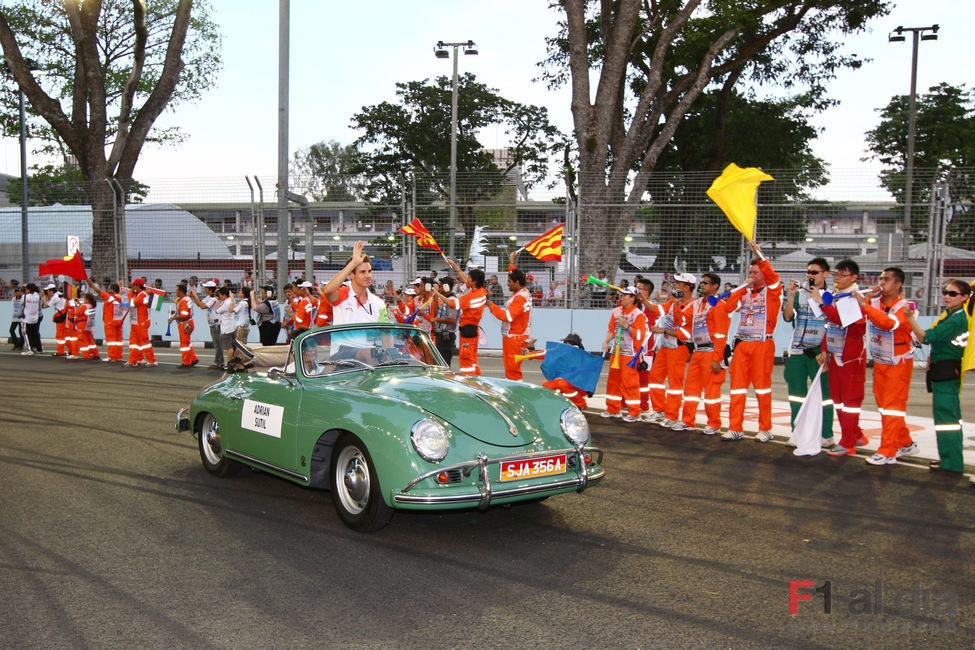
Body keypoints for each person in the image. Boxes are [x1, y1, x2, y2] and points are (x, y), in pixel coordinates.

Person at [905, 279, 972, 474]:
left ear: (965, 297)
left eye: (953, 294)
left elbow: (926, 337)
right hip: (942, 369)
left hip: (947, 371)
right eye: (945, 292)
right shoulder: (951, 314)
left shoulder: (958, 318)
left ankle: (952, 464)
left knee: (947, 420)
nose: (947, 296)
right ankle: (947, 460)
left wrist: (910, 318)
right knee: (945, 420)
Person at [856, 267, 918, 465]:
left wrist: (866, 306)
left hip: (898, 363)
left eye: (887, 280)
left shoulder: (905, 307)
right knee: (885, 407)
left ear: (898, 284)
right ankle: (905, 442)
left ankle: (888, 450)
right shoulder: (876, 303)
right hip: (881, 361)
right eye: (881, 279)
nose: (882, 283)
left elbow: (888, 324)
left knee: (893, 407)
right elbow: (861, 317)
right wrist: (867, 301)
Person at [722, 241, 782, 442]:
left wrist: (759, 254)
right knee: (737, 388)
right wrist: (741, 288)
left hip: (762, 343)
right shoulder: (746, 292)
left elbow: (773, 278)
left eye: (756, 272)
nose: (753, 275)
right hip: (742, 344)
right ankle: (735, 427)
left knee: (762, 388)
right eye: (751, 272)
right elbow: (727, 308)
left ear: (764, 273)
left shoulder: (774, 291)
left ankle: (765, 429)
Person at [812, 259, 867, 456]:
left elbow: (841, 320)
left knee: (850, 401)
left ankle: (848, 441)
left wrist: (823, 304)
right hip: (836, 354)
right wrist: (825, 350)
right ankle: (856, 434)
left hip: (851, 358)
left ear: (854, 278)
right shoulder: (837, 296)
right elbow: (831, 325)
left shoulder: (855, 298)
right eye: (836, 274)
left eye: (842, 275)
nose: (837, 279)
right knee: (838, 399)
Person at [783, 258, 835, 447]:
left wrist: (826, 351)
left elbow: (835, 322)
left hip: (819, 352)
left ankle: (826, 434)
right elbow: (788, 317)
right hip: (797, 350)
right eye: (809, 272)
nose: (810, 276)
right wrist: (791, 295)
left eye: (815, 272)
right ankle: (797, 431)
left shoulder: (831, 295)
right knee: (796, 395)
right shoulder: (799, 294)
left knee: (824, 396)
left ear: (825, 274)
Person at [679, 273, 733, 434]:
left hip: (712, 351)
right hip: (698, 350)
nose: (702, 285)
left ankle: (714, 423)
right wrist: (678, 302)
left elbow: (721, 334)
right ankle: (687, 421)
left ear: (715, 286)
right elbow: (682, 317)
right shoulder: (695, 304)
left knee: (712, 391)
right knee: (691, 390)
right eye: (701, 282)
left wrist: (717, 358)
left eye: (706, 282)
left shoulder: (719, 305)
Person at [646, 273, 695, 427]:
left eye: (678, 283)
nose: (674, 285)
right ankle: (659, 409)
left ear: (687, 288)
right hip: (666, 347)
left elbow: (686, 334)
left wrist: (663, 331)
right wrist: (641, 299)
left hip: (679, 348)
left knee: (675, 382)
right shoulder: (673, 302)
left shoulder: (693, 305)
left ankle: (672, 415)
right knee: (655, 378)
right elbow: (655, 309)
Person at [601, 287, 648, 421]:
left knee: (630, 383)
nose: (622, 297)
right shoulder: (616, 312)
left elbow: (640, 335)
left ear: (633, 298)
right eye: (622, 295)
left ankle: (635, 413)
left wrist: (627, 326)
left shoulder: (638, 314)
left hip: (630, 353)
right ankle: (613, 409)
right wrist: (606, 341)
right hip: (616, 352)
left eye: (626, 295)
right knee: (613, 382)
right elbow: (612, 330)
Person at [435, 260, 487, 375]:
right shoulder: (481, 291)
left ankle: (469, 382)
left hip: (467, 332)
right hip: (472, 330)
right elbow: (465, 280)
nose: (466, 280)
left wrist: (437, 293)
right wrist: (456, 267)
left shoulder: (471, 297)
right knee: (473, 360)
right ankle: (478, 381)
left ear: (474, 281)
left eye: (469, 278)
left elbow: (452, 304)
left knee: (466, 361)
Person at [487, 251, 532, 380]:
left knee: (513, 370)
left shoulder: (520, 298)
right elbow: (513, 274)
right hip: (514, 336)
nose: (507, 283)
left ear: (517, 283)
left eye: (509, 281)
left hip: (515, 337)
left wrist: (491, 306)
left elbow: (507, 316)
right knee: (511, 368)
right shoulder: (520, 292)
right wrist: (512, 262)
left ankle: (515, 392)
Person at [321, 240, 389, 324]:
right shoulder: (343, 294)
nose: (368, 276)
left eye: (369, 271)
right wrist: (354, 263)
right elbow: (327, 290)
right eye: (362, 272)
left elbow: (385, 334)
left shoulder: (378, 303)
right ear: (352, 275)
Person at [86, 278, 125, 362]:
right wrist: (119, 285)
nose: (108, 291)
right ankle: (118, 355)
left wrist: (91, 284)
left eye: (110, 290)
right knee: (118, 340)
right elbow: (120, 291)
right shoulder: (121, 297)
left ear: (112, 291)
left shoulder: (109, 297)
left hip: (110, 322)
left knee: (111, 340)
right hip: (118, 321)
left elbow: (98, 291)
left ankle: (111, 356)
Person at [123, 278, 158, 367]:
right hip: (135, 322)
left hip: (141, 322)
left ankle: (152, 361)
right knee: (133, 343)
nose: (133, 287)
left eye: (134, 286)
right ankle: (132, 360)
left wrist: (130, 294)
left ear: (138, 286)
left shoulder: (142, 294)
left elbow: (133, 303)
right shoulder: (139, 294)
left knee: (144, 342)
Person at [190, 280, 223, 369]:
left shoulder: (213, 299)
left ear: (210, 289)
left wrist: (196, 296)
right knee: (217, 344)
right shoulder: (209, 297)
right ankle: (219, 362)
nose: (204, 289)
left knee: (218, 344)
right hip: (213, 323)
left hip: (216, 323)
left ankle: (219, 363)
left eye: (205, 288)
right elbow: (200, 304)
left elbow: (202, 306)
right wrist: (194, 297)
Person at [430, 277, 459, 366]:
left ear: (446, 287)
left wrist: (437, 320)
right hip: (441, 335)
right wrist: (435, 299)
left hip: (446, 336)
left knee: (444, 363)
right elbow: (436, 314)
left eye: (441, 286)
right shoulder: (444, 300)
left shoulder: (451, 301)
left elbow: (452, 319)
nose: (439, 288)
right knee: (440, 362)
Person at [169, 283, 199, 367]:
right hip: (188, 323)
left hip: (185, 324)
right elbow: (184, 312)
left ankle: (186, 362)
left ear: (181, 292)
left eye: (177, 291)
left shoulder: (184, 301)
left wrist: (173, 318)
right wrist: (175, 313)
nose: (176, 292)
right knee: (187, 342)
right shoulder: (185, 299)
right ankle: (193, 359)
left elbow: (184, 315)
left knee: (184, 344)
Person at [42, 283, 69, 356]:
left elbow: (46, 305)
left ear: (51, 291)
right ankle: (71, 350)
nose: (47, 293)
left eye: (47, 291)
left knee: (60, 335)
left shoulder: (55, 297)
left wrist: (43, 297)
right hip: (65, 316)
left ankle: (60, 351)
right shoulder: (59, 294)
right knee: (66, 334)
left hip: (61, 317)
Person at [213, 286, 236, 368]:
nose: (219, 296)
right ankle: (232, 363)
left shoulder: (226, 303)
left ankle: (229, 365)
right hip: (232, 326)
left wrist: (218, 301)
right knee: (233, 347)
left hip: (226, 328)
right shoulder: (230, 300)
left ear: (224, 295)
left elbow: (217, 310)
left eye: (220, 295)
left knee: (229, 348)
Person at [76, 293, 100, 359]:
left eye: (84, 298)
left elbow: (77, 313)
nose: (83, 299)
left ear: (87, 299)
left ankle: (86, 355)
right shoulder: (92, 305)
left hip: (82, 324)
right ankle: (95, 354)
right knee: (90, 339)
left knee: (82, 340)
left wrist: (77, 306)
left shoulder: (85, 306)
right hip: (90, 323)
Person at [21, 284, 42, 354]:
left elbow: (22, 304)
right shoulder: (38, 296)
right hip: (35, 318)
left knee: (25, 333)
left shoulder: (25, 296)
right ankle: (38, 348)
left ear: (28, 290)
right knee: (35, 334)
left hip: (27, 318)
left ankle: (29, 349)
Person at [8, 285, 24, 351]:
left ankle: (20, 345)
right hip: (15, 317)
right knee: (11, 330)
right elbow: (12, 301)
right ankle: (16, 344)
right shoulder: (14, 299)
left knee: (21, 332)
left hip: (21, 317)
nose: (18, 293)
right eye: (17, 292)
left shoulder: (23, 298)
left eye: (20, 292)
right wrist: (13, 296)